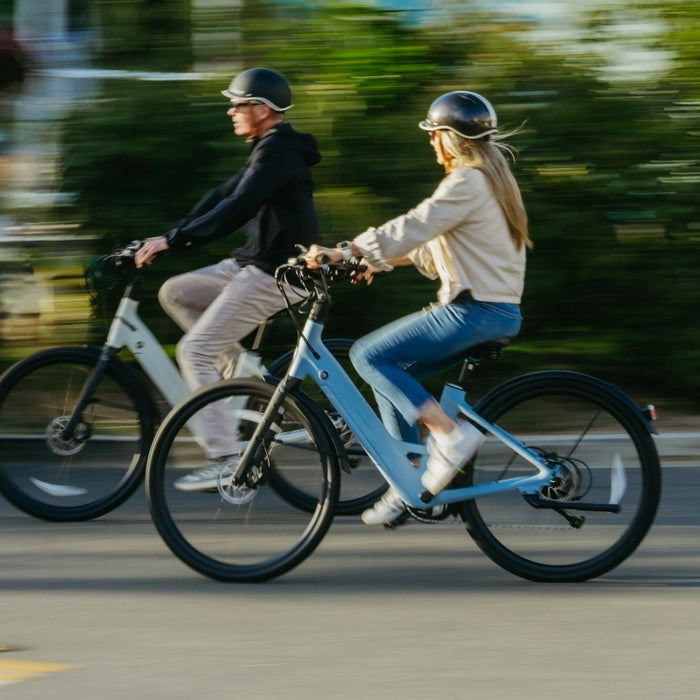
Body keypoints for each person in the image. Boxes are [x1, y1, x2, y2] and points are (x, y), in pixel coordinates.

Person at [304, 90, 531, 525]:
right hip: (491, 311)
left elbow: (414, 225)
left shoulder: (468, 181)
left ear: (453, 137)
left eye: (434, 134)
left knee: (367, 355)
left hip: (473, 310)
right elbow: (432, 250)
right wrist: (370, 260)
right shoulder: (490, 182)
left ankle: (450, 435)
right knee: (393, 372)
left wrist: (346, 249)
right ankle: (412, 482)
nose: (430, 142)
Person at [135, 67, 322, 491]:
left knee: (194, 350)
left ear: (262, 108)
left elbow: (240, 205)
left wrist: (175, 240)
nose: (230, 111)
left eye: (238, 104)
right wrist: (170, 235)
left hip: (276, 275)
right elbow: (223, 195)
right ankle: (246, 384)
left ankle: (226, 457)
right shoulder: (266, 149)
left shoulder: (279, 152)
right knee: (176, 292)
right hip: (248, 267)